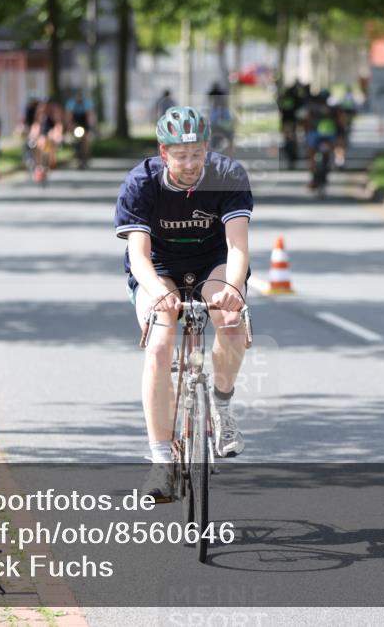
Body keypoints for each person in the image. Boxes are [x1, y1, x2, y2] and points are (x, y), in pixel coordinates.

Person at [114, 106, 253, 501]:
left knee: (228, 318)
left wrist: (233, 288)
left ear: (207, 148)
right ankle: (160, 461)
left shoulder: (227, 175)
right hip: (158, 268)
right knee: (159, 345)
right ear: (164, 153)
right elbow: (139, 256)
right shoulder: (141, 183)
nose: (190, 164)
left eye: (197, 154)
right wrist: (158, 292)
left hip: (213, 262)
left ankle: (222, 410)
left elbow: (237, 245)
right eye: (181, 155)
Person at [65, 90, 96, 165]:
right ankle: (75, 151)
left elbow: (90, 115)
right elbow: (69, 116)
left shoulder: (87, 103)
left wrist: (91, 126)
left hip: (84, 122)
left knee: (86, 139)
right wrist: (70, 126)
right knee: (73, 137)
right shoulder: (71, 103)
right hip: (76, 122)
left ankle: (86, 155)